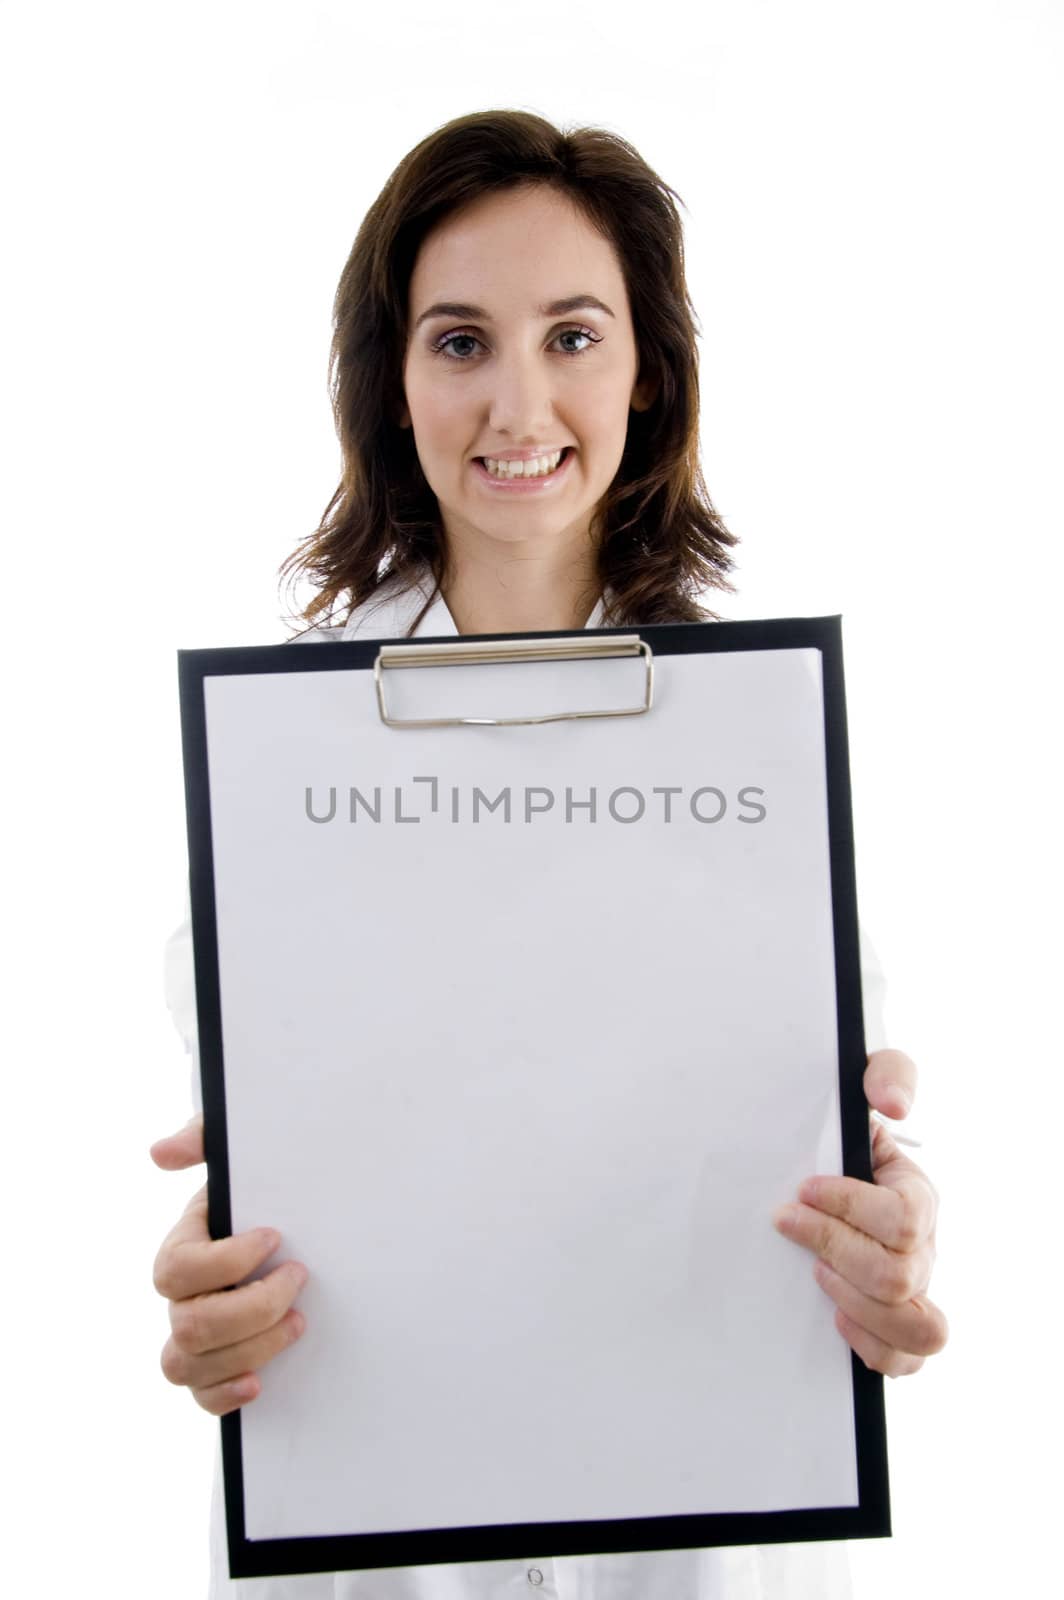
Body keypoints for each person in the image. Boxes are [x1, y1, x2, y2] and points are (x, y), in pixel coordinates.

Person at [152, 108, 948, 1599]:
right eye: (460, 341)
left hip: (697, 1541)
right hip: (373, 1548)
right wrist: (213, 1304)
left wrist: (887, 1252)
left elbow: (836, 1147)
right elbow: (263, 1187)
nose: (520, 404)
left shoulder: (760, 741)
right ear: (391, 384)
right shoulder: (277, 763)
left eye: (574, 335)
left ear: (649, 374)